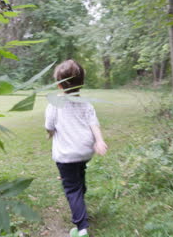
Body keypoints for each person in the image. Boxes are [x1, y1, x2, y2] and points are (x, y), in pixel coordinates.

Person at [44, 59, 108, 237]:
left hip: (66, 154)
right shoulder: (86, 103)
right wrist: (99, 141)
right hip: (85, 151)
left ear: (58, 84)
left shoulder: (54, 104)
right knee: (78, 176)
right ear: (81, 83)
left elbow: (49, 126)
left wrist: (49, 133)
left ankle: (81, 228)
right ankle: (81, 194)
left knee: (71, 189)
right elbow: (94, 124)